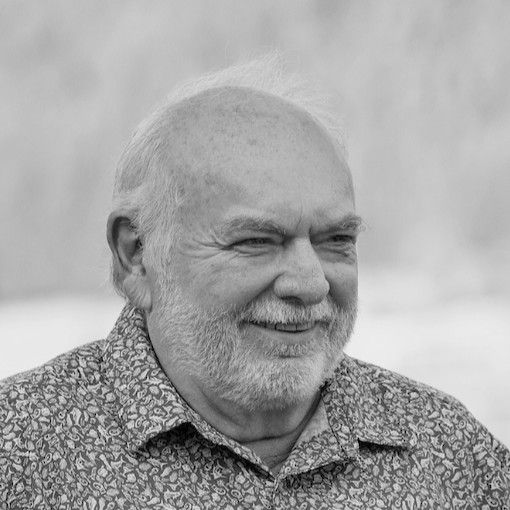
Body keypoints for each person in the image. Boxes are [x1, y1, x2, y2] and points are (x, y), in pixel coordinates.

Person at [1, 57, 508, 509]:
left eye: (336, 240)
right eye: (257, 241)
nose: (310, 284)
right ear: (137, 255)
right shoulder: (20, 453)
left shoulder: (449, 454)